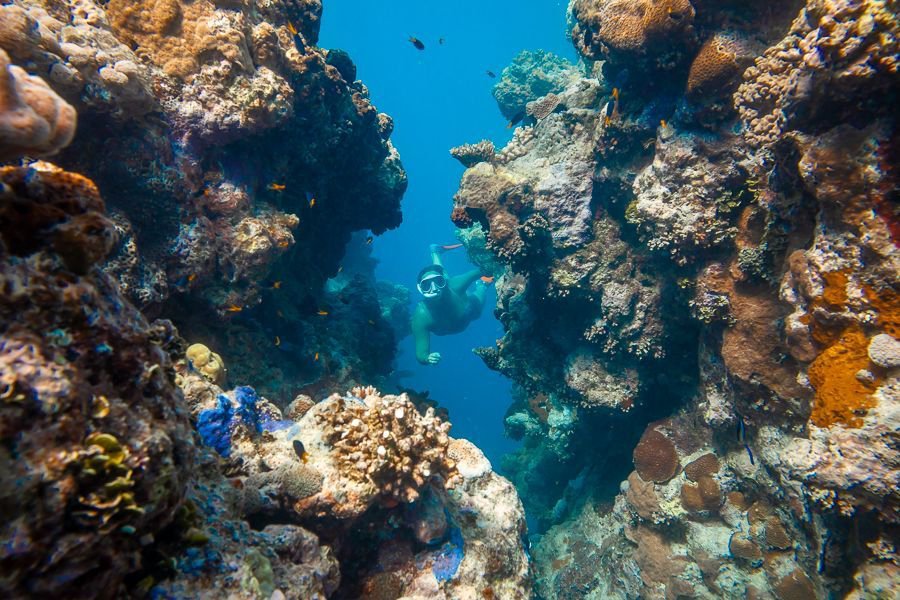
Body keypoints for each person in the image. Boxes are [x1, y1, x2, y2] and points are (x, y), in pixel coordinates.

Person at [411, 244, 491, 365]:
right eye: (427, 285)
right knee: (440, 274)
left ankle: (482, 285)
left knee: (477, 308)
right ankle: (435, 253)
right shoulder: (421, 317)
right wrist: (427, 358)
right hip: (458, 314)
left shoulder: (455, 284)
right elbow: (421, 354)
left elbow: (483, 270)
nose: (434, 289)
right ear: (420, 289)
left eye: (438, 282)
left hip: (468, 309)